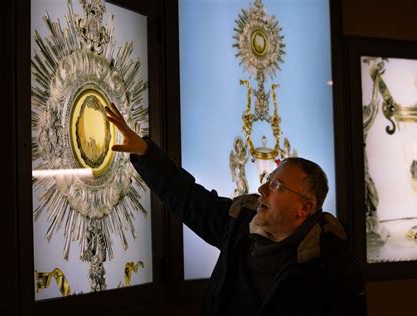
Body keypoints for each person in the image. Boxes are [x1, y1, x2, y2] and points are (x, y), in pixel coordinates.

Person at [105, 103, 366, 316]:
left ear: (304, 208)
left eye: (277, 185)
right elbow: (188, 198)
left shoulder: (332, 269)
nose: (262, 190)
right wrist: (145, 152)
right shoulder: (240, 222)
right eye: (268, 180)